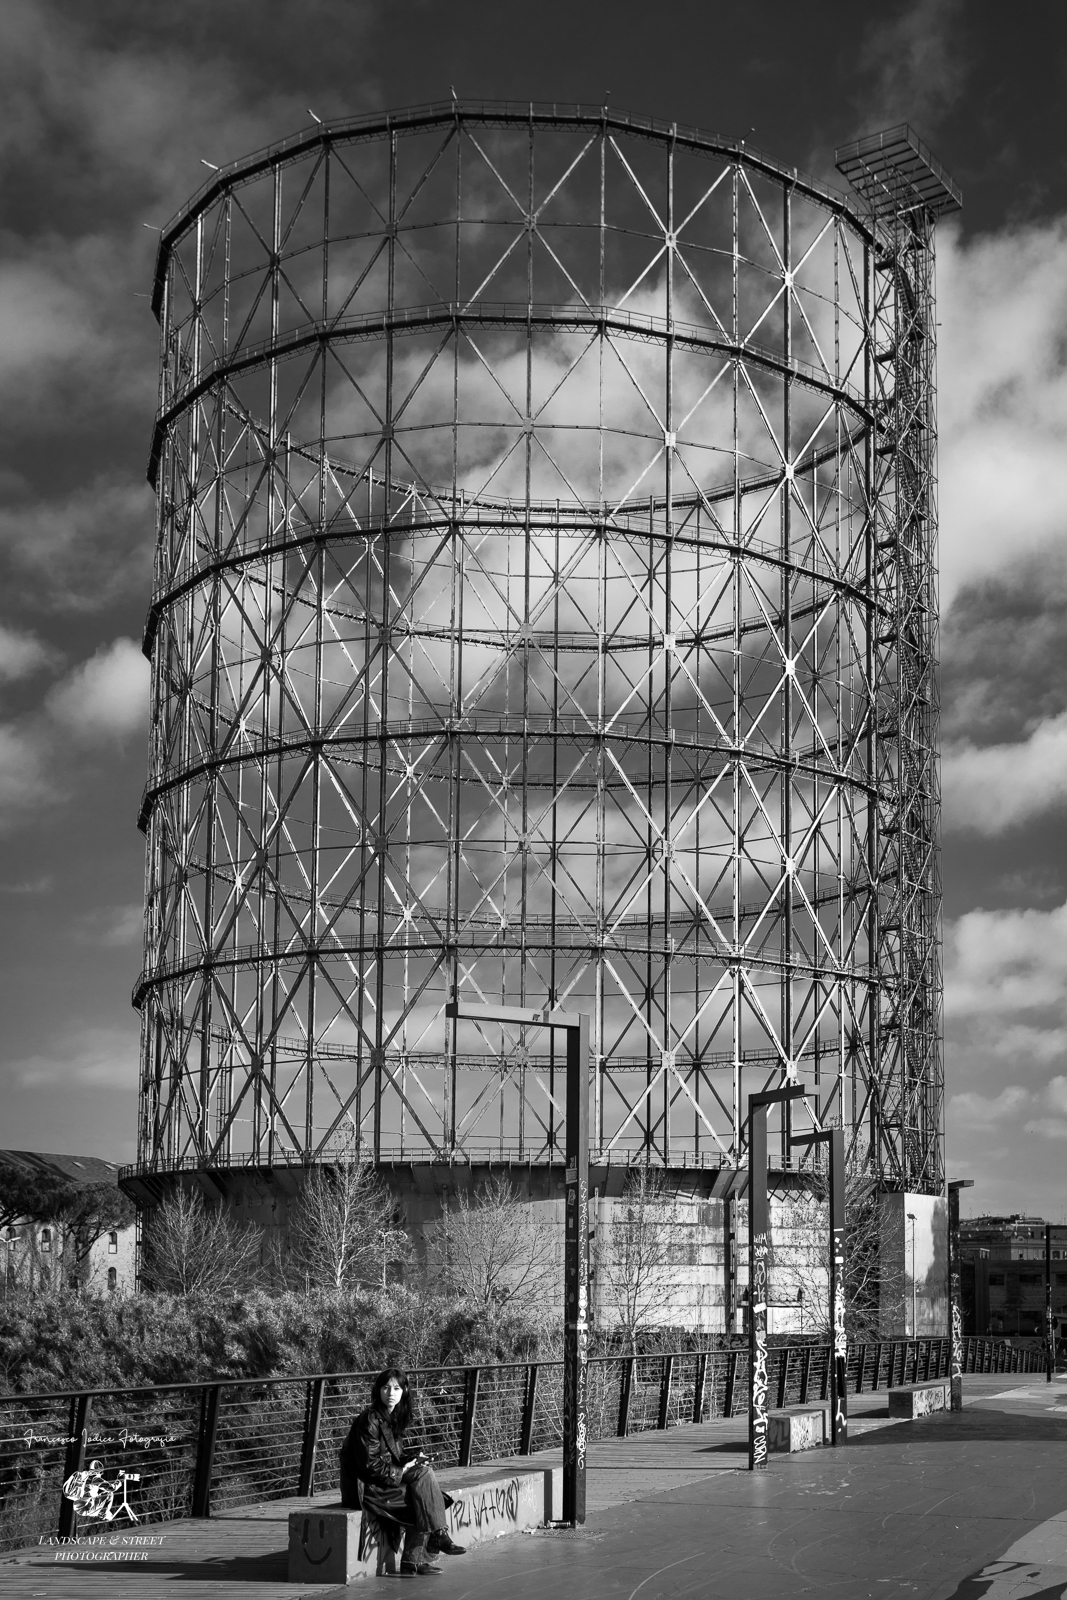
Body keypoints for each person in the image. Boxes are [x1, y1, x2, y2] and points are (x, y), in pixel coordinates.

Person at [340, 1367, 466, 1576]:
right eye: (386, 1388)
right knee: (421, 1496)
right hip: (365, 1486)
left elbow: (391, 1455)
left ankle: (425, 1550)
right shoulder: (369, 1420)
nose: (391, 1393)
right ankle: (427, 1547)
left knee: (424, 1473)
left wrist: (412, 1459)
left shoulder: (392, 1416)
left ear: (404, 1391)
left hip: (383, 1478)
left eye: (396, 1388)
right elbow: (369, 1465)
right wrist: (401, 1470)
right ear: (378, 1391)